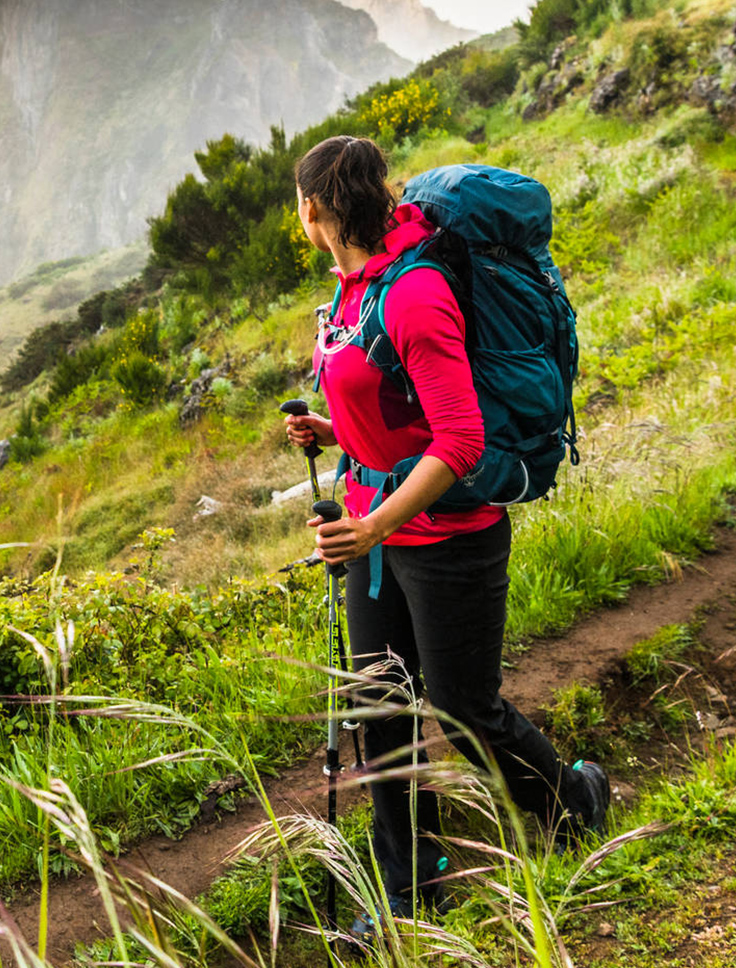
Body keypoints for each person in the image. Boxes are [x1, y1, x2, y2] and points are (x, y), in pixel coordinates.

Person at [281, 135, 609, 936]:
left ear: (313, 208)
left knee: (464, 708)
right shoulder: (353, 286)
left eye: (301, 204)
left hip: (447, 533)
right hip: (378, 530)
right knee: (381, 711)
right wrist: (338, 427)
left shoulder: (415, 290)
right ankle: (410, 892)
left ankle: (574, 798)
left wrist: (370, 530)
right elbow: (393, 398)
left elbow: (459, 439)